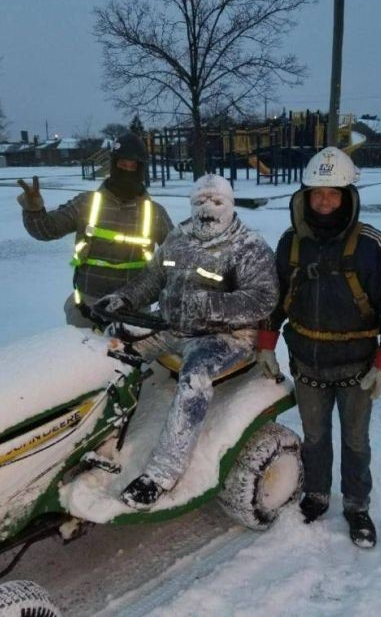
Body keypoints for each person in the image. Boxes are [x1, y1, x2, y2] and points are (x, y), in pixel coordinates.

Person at [256, 147, 381, 548]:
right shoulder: (291, 243)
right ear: (305, 196)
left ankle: (358, 505)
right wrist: (266, 343)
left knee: (356, 440)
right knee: (314, 437)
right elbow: (274, 297)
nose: (324, 202)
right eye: (317, 193)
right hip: (307, 363)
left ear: (348, 196)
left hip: (359, 367)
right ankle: (317, 494)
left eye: (334, 193)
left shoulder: (371, 244)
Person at [93, 173, 279, 508]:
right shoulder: (177, 238)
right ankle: (101, 435)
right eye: (199, 202)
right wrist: (124, 299)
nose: (207, 210)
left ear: (230, 204)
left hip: (227, 337)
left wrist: (207, 304)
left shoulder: (248, 246)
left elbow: (263, 300)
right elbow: (153, 278)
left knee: (194, 378)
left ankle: (162, 473)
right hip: (174, 326)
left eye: (217, 202)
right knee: (114, 348)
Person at [17, 132, 173, 328]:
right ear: (113, 164)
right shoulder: (86, 204)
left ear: (141, 169)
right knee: (84, 358)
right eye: (122, 164)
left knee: (133, 359)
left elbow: (175, 256)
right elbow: (47, 230)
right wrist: (34, 210)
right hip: (87, 308)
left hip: (134, 310)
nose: (127, 170)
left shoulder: (155, 212)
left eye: (132, 165)